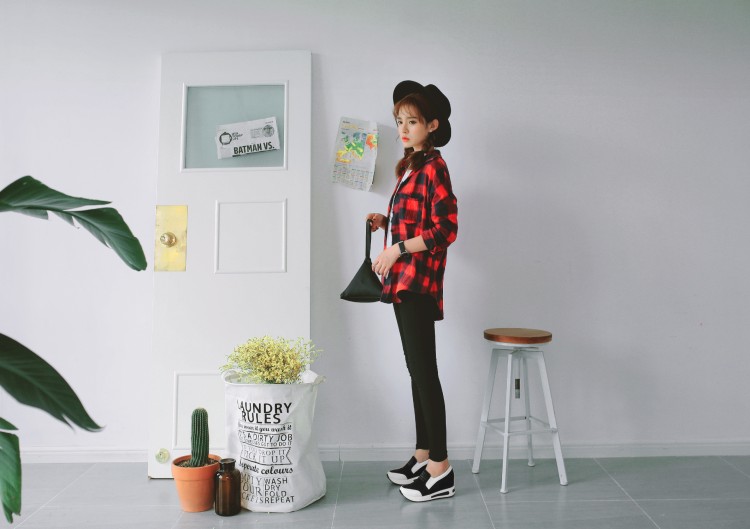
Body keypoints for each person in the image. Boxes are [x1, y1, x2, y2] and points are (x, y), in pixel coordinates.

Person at [367, 80, 458, 502]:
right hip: (403, 283)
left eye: (412, 122)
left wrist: (397, 249)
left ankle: (441, 468)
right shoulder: (411, 167)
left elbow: (444, 230)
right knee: (416, 372)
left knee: (425, 374)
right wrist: (385, 223)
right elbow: (415, 220)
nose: (402, 129)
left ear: (432, 125)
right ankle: (423, 454)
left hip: (418, 283)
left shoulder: (435, 167)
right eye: (399, 121)